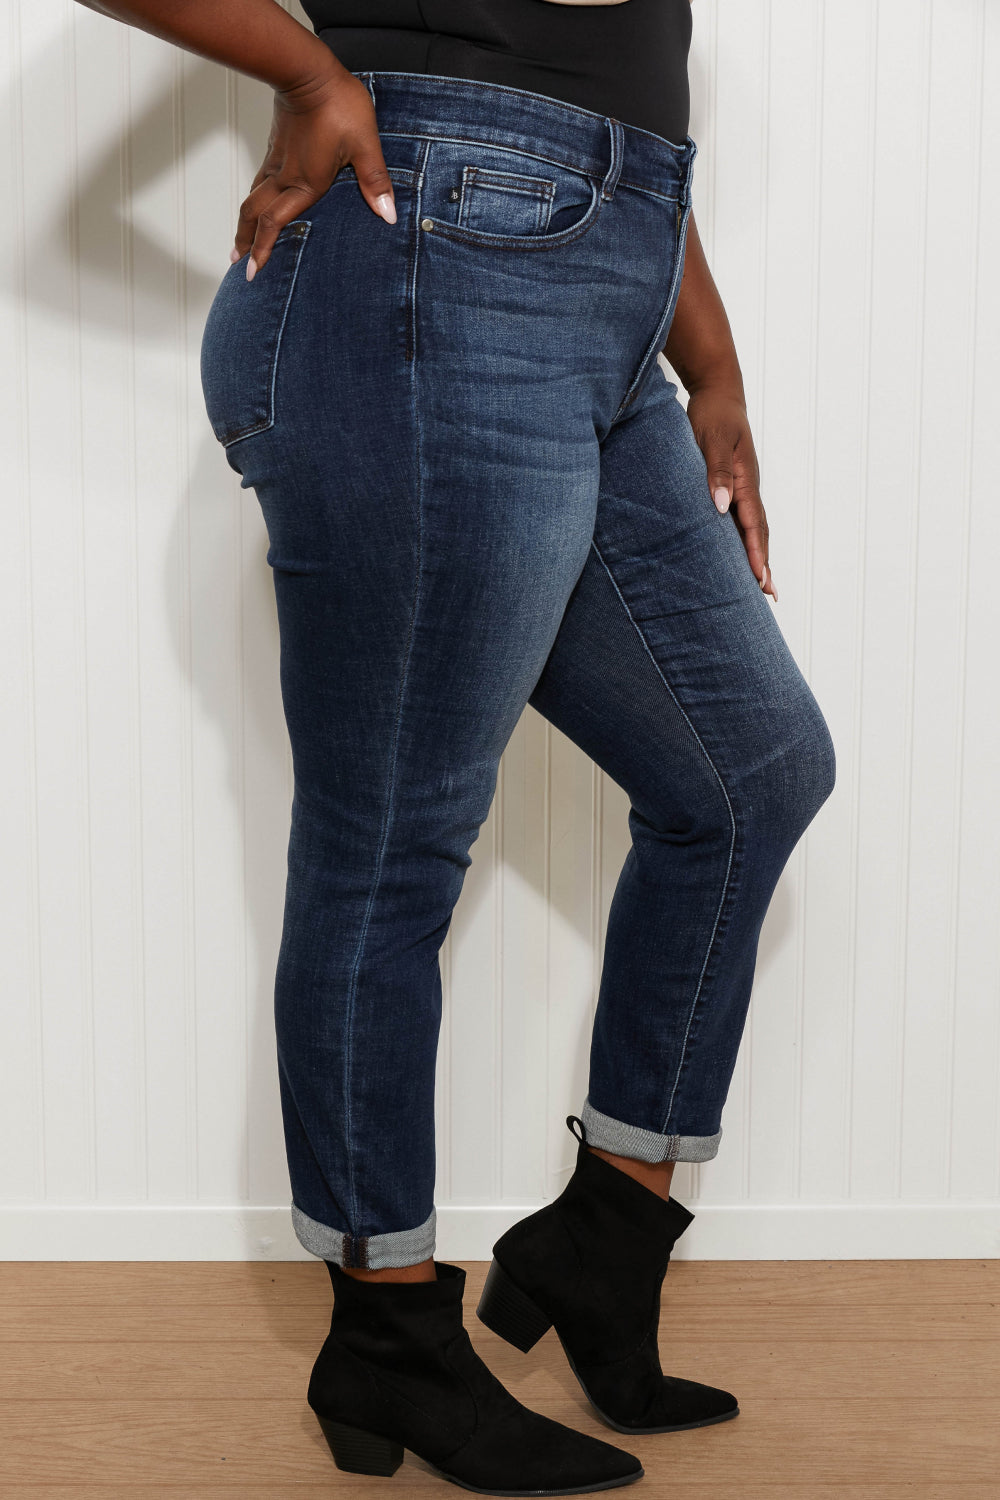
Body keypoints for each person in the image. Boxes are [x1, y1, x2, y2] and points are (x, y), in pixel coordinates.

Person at [76, 1, 837, 1493]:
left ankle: (603, 1243)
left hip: (610, 299)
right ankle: (387, 1327)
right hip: (420, 273)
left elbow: (612, 93)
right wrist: (308, 73)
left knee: (752, 776)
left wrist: (715, 368)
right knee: (391, 847)